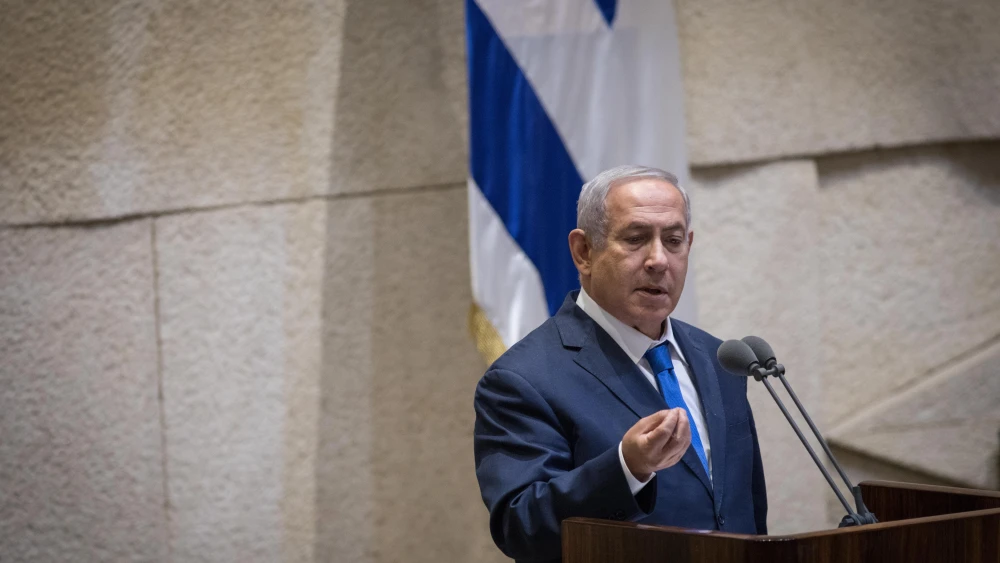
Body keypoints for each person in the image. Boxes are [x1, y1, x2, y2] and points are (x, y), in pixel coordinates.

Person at [473, 165, 767, 562]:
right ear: (584, 252)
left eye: (674, 240)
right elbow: (521, 526)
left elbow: (745, 511)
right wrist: (626, 468)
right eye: (636, 239)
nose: (659, 260)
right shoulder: (523, 378)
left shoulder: (719, 360)